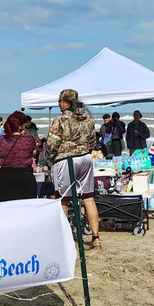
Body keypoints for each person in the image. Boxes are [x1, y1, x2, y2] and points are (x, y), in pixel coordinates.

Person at [47, 89, 102, 250]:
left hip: (66, 159)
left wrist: (50, 158)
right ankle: (95, 238)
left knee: (63, 199)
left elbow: (52, 144)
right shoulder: (88, 118)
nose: (58, 104)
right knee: (88, 198)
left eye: (60, 101)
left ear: (67, 103)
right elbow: (93, 140)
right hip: (85, 158)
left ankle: (64, 240)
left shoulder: (60, 120)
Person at [0, 111, 37, 201]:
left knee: (6, 210)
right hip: (25, 177)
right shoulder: (29, 140)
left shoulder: (1, 140)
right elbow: (33, 152)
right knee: (27, 209)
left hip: (6, 177)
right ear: (20, 126)